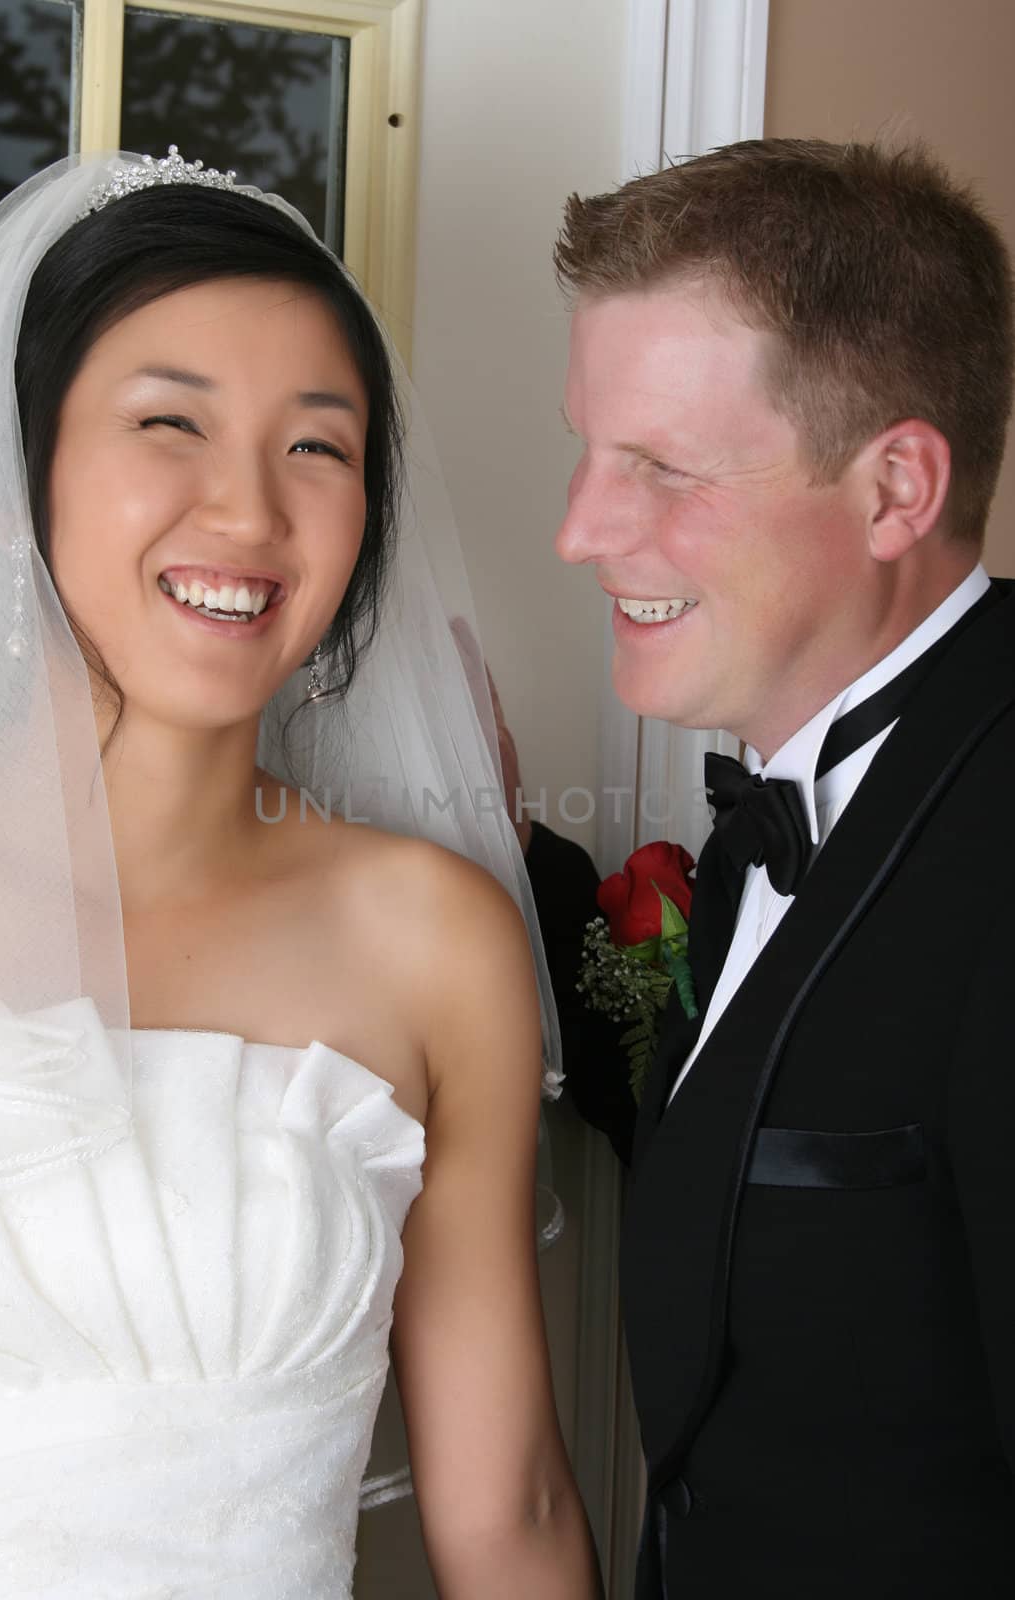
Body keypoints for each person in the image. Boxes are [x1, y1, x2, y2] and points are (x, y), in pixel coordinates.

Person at [0, 149, 601, 1598]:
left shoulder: (434, 939)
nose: (248, 512)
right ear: (15, 474)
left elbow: (514, 1514)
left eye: (318, 445)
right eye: (169, 421)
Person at [553, 137, 1015, 1598]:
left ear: (895, 489)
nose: (580, 530)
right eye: (590, 453)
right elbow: (752, 1120)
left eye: (661, 469)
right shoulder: (790, 787)